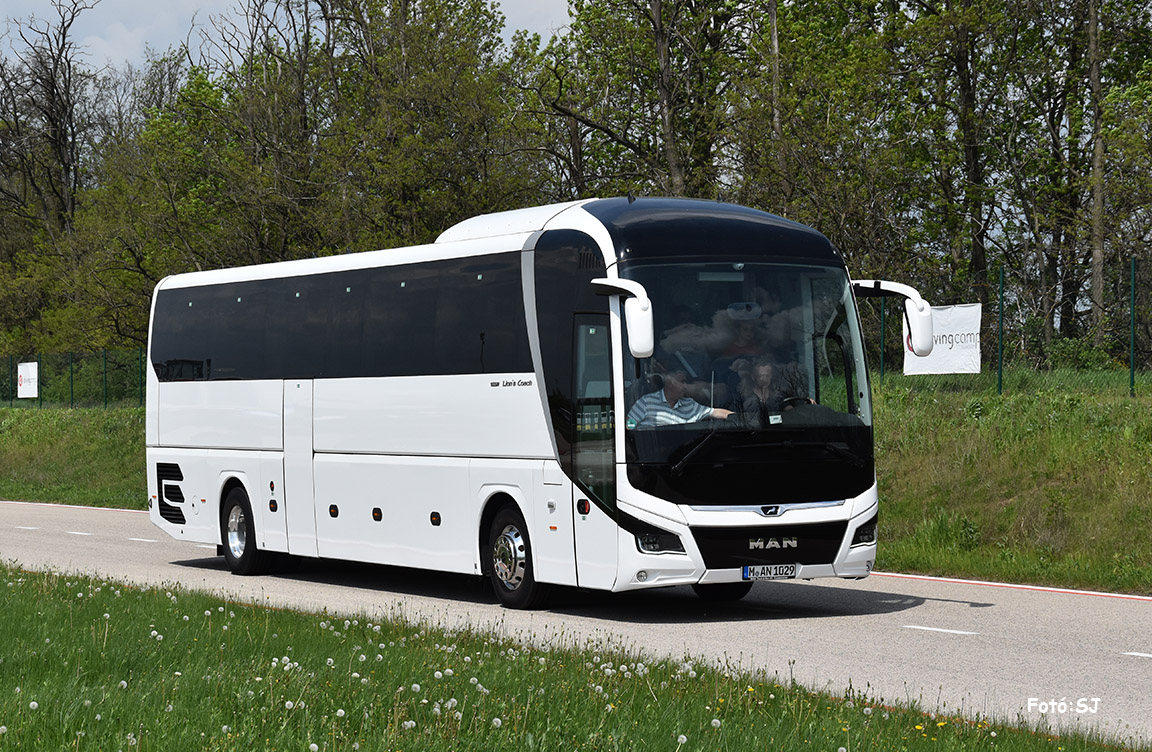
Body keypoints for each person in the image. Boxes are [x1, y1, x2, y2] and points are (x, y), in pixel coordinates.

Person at [626, 368, 734, 427]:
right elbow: (629, 426)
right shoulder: (646, 403)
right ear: (670, 383)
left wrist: (740, 418)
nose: (686, 386)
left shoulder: (690, 404)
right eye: (682, 382)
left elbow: (716, 412)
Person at [730, 354, 812, 428]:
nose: (764, 379)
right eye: (761, 376)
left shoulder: (779, 394)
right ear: (753, 377)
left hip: (775, 434)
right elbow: (733, 416)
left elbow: (790, 411)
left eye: (767, 376)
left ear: (771, 376)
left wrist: (806, 406)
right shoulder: (742, 395)